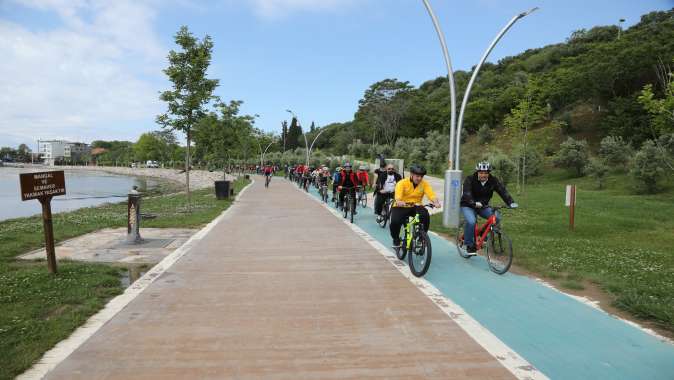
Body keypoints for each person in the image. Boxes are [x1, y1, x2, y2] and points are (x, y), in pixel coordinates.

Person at [460, 161, 518, 256]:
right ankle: (469, 245)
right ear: (477, 172)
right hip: (468, 205)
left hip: (483, 206)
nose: (483, 175)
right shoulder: (470, 179)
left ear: (489, 173)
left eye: (486, 173)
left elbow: (502, 191)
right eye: (481, 172)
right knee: (471, 221)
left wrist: (510, 202)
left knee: (497, 217)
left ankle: (482, 234)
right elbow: (467, 193)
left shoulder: (493, 180)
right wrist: (473, 203)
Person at [390, 164, 441, 249]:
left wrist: (436, 202)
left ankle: (422, 236)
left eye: (421, 176)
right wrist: (399, 201)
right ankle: (396, 239)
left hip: (415, 205)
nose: (419, 178)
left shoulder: (424, 184)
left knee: (425, 216)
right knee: (395, 222)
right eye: (417, 176)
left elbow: (431, 194)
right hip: (401, 206)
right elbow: (398, 195)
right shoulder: (402, 183)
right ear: (411, 175)